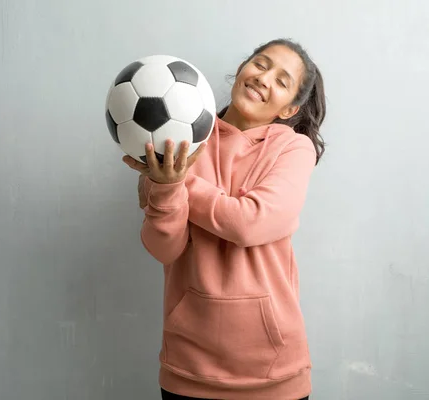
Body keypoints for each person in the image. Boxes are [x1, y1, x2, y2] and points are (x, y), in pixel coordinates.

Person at [123, 38, 326, 400]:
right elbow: (163, 248)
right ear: (241, 71)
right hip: (188, 369)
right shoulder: (178, 138)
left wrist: (180, 180)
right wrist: (164, 188)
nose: (264, 78)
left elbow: (250, 223)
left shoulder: (293, 148)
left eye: (282, 81)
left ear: (289, 108)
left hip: (274, 374)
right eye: (261, 64)